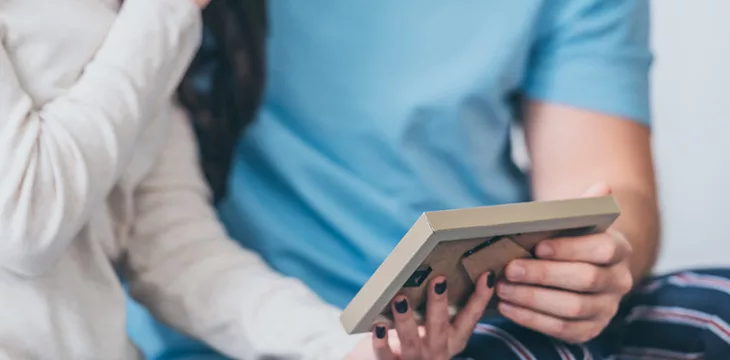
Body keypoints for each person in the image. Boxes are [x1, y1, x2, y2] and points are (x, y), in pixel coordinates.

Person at [128, 0, 730, 359]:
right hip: (240, 335)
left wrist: (592, 262)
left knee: (714, 301)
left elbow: (606, 187)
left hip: (479, 320)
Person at [1, 0, 487, 358]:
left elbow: (178, 257)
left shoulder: (138, 23)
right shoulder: (155, 24)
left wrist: (348, 346)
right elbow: (25, 222)